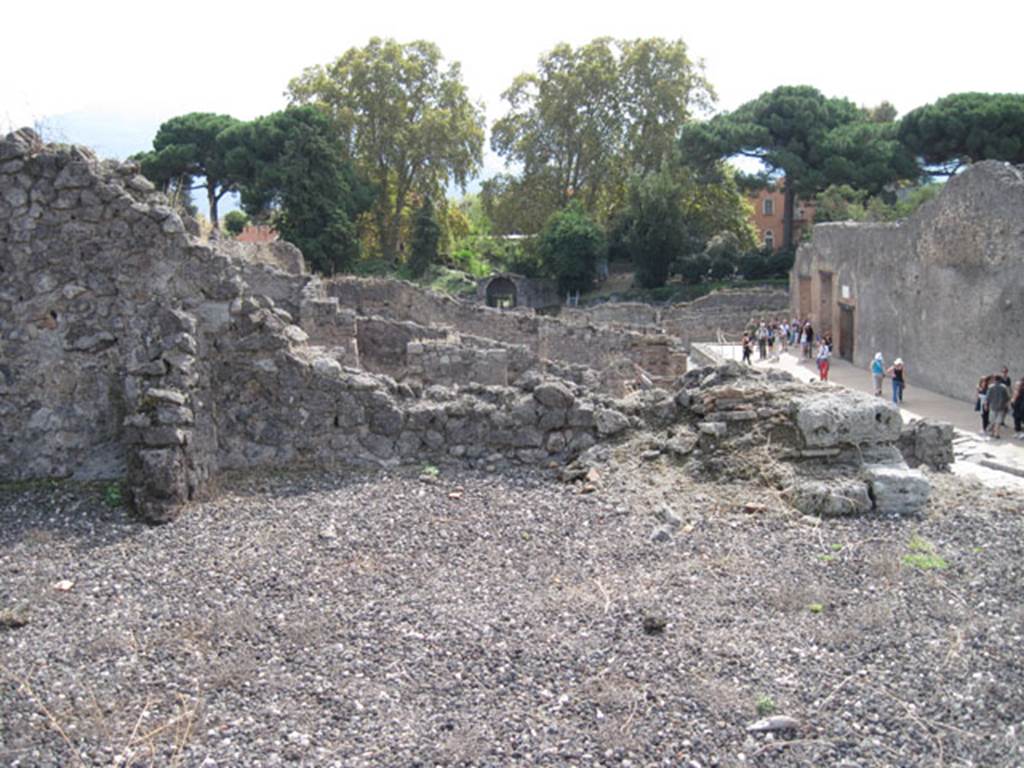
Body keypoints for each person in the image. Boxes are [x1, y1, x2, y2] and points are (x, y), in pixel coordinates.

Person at [986, 374, 1011, 439]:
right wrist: (1007, 405)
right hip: (1001, 407)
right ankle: (997, 434)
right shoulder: (1004, 387)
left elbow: (987, 397)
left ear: (995, 379)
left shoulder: (990, 387)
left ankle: (992, 433)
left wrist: (986, 405)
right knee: (998, 421)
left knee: (992, 420)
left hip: (992, 406)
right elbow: (1007, 398)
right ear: (1000, 380)